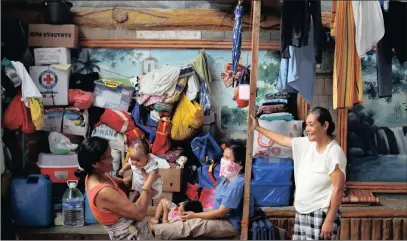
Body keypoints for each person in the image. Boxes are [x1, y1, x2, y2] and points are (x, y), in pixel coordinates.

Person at [251, 106, 346, 240]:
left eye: (311, 125)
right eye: (306, 125)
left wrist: (329, 220)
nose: (307, 129)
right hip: (303, 210)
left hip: (321, 213)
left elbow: (339, 189)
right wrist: (258, 128)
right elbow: (283, 140)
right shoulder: (307, 143)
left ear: (325, 125)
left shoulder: (334, 152)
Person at [151, 143, 246, 240]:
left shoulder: (236, 184)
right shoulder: (228, 178)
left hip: (229, 224)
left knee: (191, 224)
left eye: (227, 157)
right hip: (217, 213)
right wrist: (194, 212)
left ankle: (153, 232)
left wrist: (195, 215)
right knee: (185, 213)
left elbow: (222, 212)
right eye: (223, 156)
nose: (223, 160)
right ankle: (163, 228)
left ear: (238, 162)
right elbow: (217, 208)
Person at [77, 136, 155, 240]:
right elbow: (139, 214)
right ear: (95, 163)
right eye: (108, 157)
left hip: (137, 232)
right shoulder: (103, 191)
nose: (112, 159)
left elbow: (124, 184)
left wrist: (137, 168)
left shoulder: (99, 175)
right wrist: (147, 184)